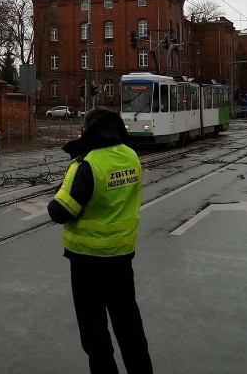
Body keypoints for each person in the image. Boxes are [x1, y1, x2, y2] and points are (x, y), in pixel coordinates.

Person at [48, 107, 153, 373]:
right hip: (122, 255)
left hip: (87, 262)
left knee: (95, 331)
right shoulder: (131, 156)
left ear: (89, 129)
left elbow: (60, 211)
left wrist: (61, 189)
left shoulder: (87, 164)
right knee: (128, 322)